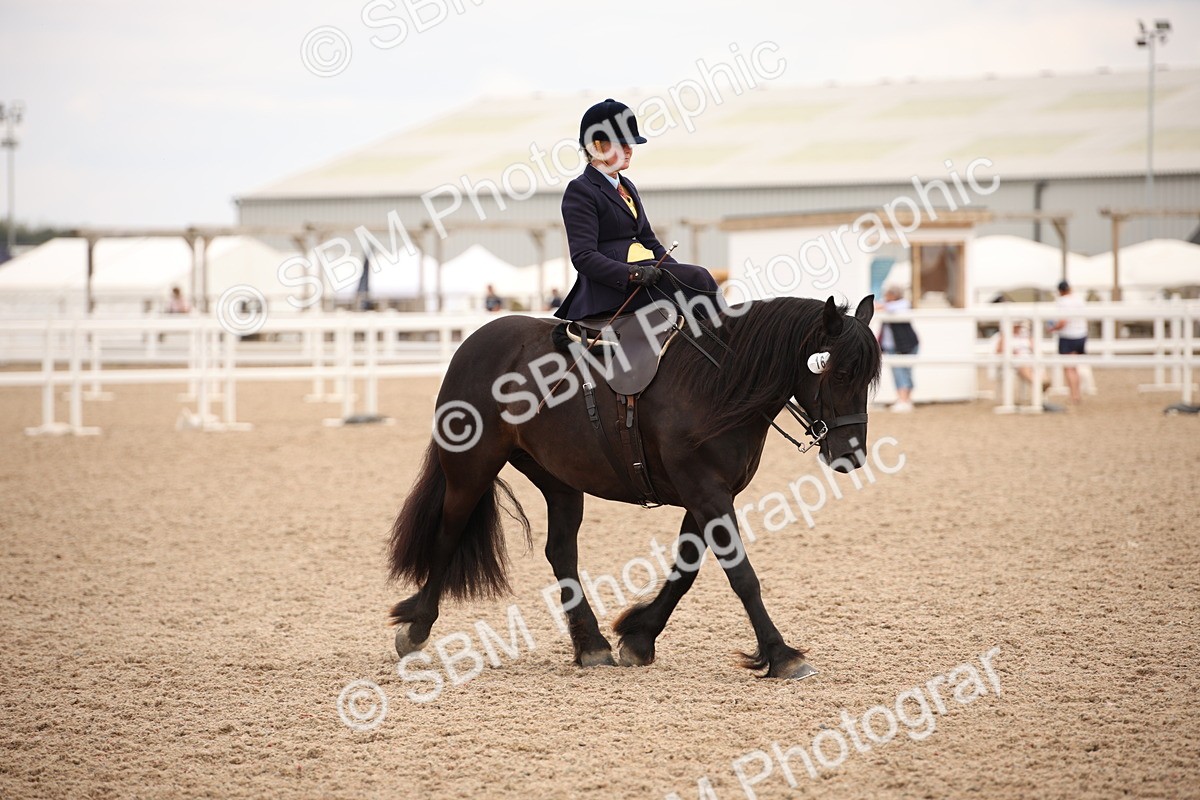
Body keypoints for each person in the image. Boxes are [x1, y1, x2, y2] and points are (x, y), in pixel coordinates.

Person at [555, 98, 719, 321]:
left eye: (629, 144)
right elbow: (583, 256)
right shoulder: (581, 190)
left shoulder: (627, 185)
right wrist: (632, 273)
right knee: (699, 277)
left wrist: (678, 273)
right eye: (619, 144)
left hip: (647, 272)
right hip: (613, 287)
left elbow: (649, 241)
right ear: (596, 146)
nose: (628, 150)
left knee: (699, 277)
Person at [876, 286, 919, 412]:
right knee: (900, 372)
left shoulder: (903, 304)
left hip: (905, 345)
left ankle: (905, 399)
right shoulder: (889, 306)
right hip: (894, 346)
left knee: (903, 372)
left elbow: (891, 308)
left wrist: (882, 306)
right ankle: (903, 399)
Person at [1048, 280, 1087, 404]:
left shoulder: (1062, 302)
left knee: (1069, 367)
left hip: (1068, 336)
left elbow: (1063, 322)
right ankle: (1077, 394)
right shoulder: (1079, 299)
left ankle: (1074, 395)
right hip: (1081, 335)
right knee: (1075, 366)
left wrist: (1053, 328)